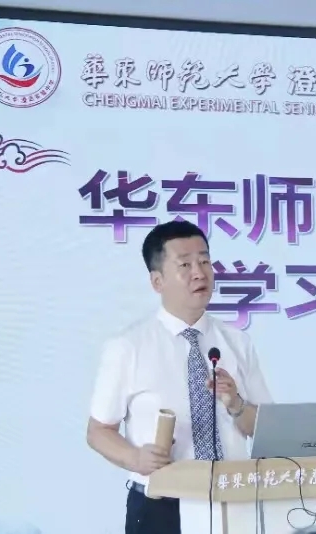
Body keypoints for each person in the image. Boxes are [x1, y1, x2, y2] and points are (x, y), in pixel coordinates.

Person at [86, 220, 273, 534]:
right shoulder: (128, 346)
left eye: (205, 261)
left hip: (233, 500)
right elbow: (98, 431)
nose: (199, 273)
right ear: (157, 281)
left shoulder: (237, 343)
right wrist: (135, 458)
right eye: (185, 265)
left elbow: (266, 428)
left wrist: (236, 404)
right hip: (161, 505)